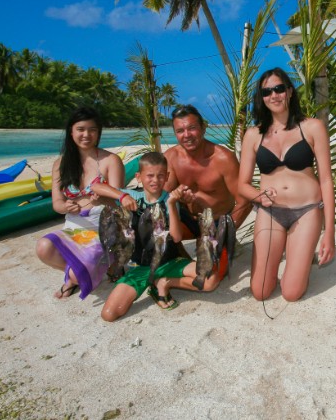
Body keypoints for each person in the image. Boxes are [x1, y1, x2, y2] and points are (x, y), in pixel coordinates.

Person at [238, 68, 336, 302]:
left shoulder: (312, 127)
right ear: (261, 97)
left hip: (307, 211)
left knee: (291, 293)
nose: (274, 95)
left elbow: (325, 180)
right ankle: (293, 258)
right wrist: (259, 196)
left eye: (279, 89)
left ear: (290, 91)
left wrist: (329, 233)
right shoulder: (252, 135)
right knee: (260, 292)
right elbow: (241, 184)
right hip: (270, 212)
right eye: (267, 92)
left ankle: (300, 260)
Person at [90, 152, 195, 320]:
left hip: (168, 262)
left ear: (167, 176)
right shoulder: (134, 197)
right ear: (138, 177)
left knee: (208, 278)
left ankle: (162, 282)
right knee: (109, 314)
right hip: (140, 266)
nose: (155, 180)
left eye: (160, 175)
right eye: (150, 176)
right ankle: (150, 281)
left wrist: (172, 205)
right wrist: (122, 196)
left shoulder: (169, 200)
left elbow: (176, 238)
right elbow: (95, 186)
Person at [35, 107, 125, 300]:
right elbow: (57, 203)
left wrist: (103, 199)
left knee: (78, 275)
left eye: (92, 130)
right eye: (81, 129)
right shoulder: (60, 164)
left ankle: (96, 266)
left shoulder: (111, 161)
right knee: (43, 247)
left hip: (104, 229)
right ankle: (82, 272)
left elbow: (120, 203)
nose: (86, 135)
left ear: (99, 132)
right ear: (71, 131)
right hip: (74, 228)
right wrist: (65, 207)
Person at [164, 104, 251, 290]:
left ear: (203, 128)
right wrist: (178, 197)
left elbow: (245, 201)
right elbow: (160, 197)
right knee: (158, 222)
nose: (186, 135)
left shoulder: (223, 158)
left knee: (211, 278)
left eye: (192, 128)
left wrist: (226, 231)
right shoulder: (170, 157)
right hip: (189, 222)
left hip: (217, 224)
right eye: (180, 131)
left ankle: (171, 279)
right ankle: (181, 257)